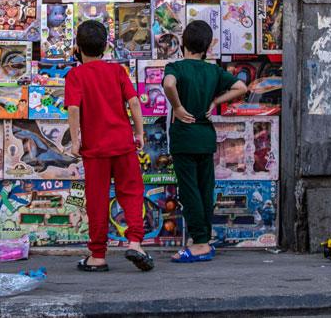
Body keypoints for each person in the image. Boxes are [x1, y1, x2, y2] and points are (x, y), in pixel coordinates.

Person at [66, 20, 153, 273]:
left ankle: (97, 255)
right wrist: (139, 132)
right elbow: (135, 103)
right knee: (132, 193)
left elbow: (73, 108)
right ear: (106, 47)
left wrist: (75, 140)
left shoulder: (75, 75)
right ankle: (135, 243)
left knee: (96, 199)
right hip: (123, 144)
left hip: (95, 150)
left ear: (77, 47)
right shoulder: (117, 72)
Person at [162, 20, 248, 263]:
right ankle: (203, 238)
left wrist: (177, 107)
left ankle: (200, 243)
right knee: (204, 189)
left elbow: (169, 84)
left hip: (184, 138)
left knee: (189, 192)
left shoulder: (176, 67)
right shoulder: (212, 71)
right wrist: (215, 102)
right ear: (207, 47)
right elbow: (241, 86)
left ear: (182, 44)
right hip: (205, 137)